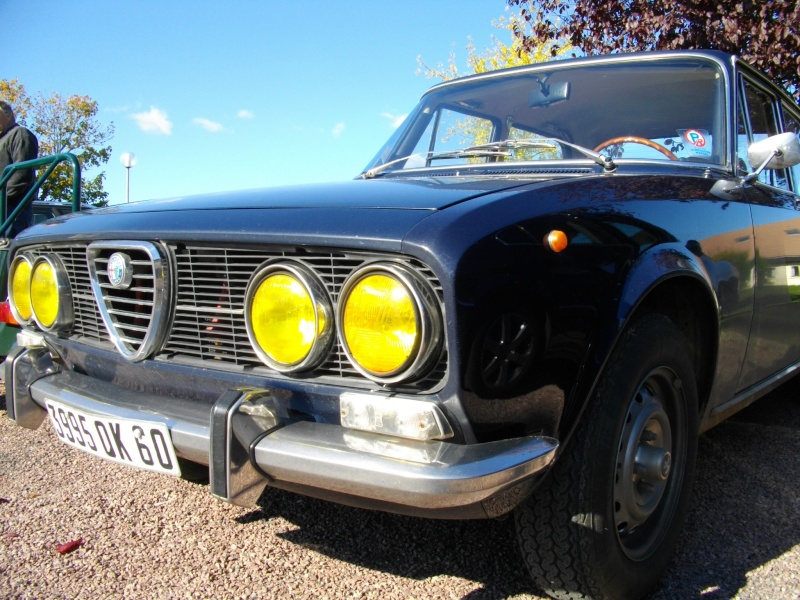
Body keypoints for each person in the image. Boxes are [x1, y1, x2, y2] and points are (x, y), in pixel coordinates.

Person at [0, 100, 38, 238]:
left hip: (13, 211)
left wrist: (2, 197)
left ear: (8, 116)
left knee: (5, 255)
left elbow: (22, 175)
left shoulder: (20, 134)